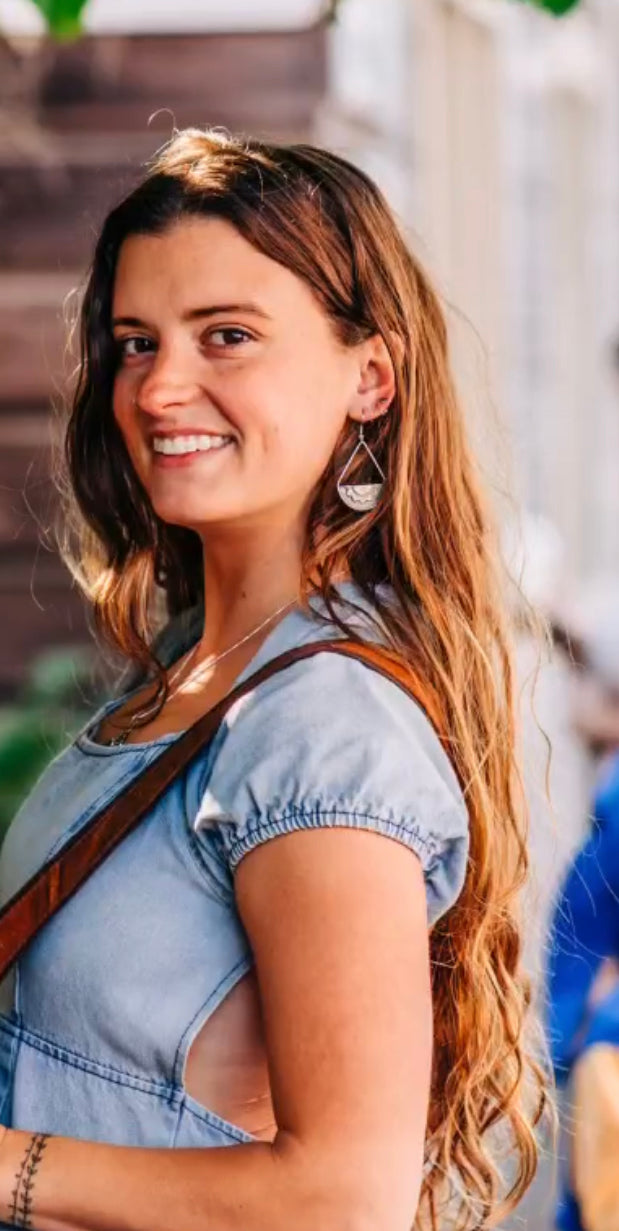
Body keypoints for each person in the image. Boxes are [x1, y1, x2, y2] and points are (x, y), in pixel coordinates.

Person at [0, 128, 545, 1230]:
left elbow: (343, 1198)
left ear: (371, 376)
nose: (161, 390)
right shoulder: (190, 677)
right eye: (137, 343)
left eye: (228, 336)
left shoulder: (321, 719)